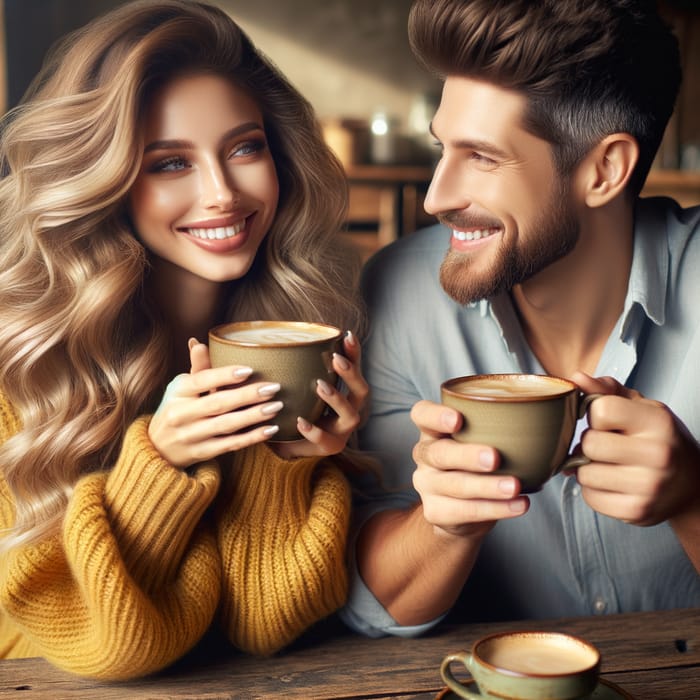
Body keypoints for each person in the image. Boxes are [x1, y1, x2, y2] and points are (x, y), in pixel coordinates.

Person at [0, 0, 371, 680]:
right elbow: (110, 649)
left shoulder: (308, 329)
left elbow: (264, 624)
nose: (223, 193)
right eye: (170, 163)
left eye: (244, 147)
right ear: (105, 179)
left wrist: (284, 460)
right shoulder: (21, 361)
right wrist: (161, 466)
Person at [340, 0, 700, 639]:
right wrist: (442, 526)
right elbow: (378, 607)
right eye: (442, 148)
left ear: (604, 169)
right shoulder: (400, 293)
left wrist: (693, 501)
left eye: (481, 157)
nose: (435, 196)